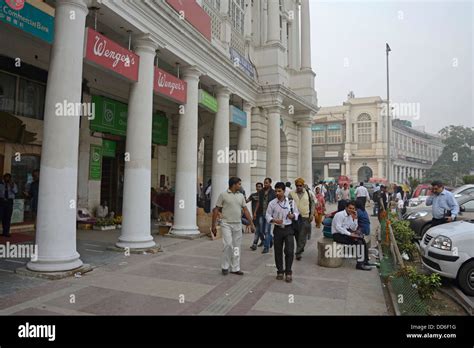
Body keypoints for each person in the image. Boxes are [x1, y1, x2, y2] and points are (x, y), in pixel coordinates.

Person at [212, 177, 254, 276]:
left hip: (238, 224)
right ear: (234, 184)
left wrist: (251, 223)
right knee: (228, 244)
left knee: (236, 247)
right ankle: (225, 266)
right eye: (239, 184)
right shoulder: (223, 195)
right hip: (226, 223)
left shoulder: (241, 196)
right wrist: (213, 225)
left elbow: (246, 210)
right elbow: (216, 210)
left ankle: (235, 268)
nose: (240, 186)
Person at [266, 182, 300, 282]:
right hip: (278, 229)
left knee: (289, 251)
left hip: (289, 228)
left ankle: (288, 272)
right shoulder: (272, 203)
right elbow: (267, 215)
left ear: (284, 191)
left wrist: (293, 216)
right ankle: (280, 271)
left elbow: (297, 213)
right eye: (276, 191)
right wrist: (273, 220)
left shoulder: (290, 202)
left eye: (279, 191)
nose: (277, 193)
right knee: (278, 251)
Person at [331, 200, 372, 271]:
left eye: (353, 209)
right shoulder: (340, 215)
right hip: (337, 235)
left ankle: (365, 261)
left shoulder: (350, 216)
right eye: (350, 208)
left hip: (346, 234)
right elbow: (338, 227)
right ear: (346, 208)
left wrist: (355, 219)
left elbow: (353, 228)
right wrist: (350, 234)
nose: (351, 210)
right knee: (358, 242)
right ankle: (359, 264)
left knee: (362, 240)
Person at [289, 178, 315, 261]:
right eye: (297, 186)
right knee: (297, 235)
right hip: (295, 218)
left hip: (305, 216)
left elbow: (313, 204)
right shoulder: (291, 193)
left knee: (302, 235)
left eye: (300, 186)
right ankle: (299, 248)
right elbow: (288, 204)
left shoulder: (308, 193)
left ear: (303, 185)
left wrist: (312, 214)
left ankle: (298, 252)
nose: (299, 187)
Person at [253, 177, 276, 254]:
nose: (265, 184)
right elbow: (259, 202)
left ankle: (266, 247)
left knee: (266, 231)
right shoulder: (261, 191)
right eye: (264, 182)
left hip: (269, 214)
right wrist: (255, 212)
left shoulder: (273, 192)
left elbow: (275, 203)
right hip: (261, 213)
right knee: (261, 230)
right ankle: (270, 239)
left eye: (267, 182)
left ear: (270, 183)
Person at [249, 182, 264, 250]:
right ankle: (265, 240)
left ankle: (254, 244)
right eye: (257, 186)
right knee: (259, 230)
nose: (258, 188)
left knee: (258, 229)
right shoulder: (253, 195)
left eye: (260, 186)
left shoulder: (264, 195)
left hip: (261, 215)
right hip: (255, 216)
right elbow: (246, 201)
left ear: (262, 187)